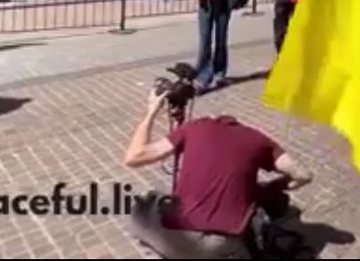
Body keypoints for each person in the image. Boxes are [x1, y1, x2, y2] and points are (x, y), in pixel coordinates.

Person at [123, 87, 314, 259]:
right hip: (220, 245)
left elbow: (134, 157)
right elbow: (304, 175)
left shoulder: (193, 127)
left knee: (141, 208)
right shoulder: (258, 139)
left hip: (177, 238)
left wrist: (151, 112)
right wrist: (272, 187)